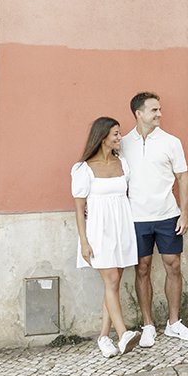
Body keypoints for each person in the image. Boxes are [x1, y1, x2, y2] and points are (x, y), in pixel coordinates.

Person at [123, 91, 188, 345]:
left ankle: (174, 323)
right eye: (154, 110)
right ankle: (147, 326)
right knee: (142, 268)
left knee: (173, 265)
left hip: (168, 215)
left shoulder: (171, 142)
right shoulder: (123, 144)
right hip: (137, 217)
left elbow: (183, 177)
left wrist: (184, 213)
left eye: (159, 109)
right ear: (139, 113)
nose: (159, 114)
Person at [71, 116, 140, 358]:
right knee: (111, 280)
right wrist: (84, 242)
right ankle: (123, 334)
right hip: (98, 231)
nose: (120, 138)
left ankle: (103, 337)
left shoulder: (123, 164)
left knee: (113, 283)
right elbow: (80, 209)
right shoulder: (83, 169)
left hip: (121, 227)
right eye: (116, 134)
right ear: (102, 138)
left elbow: (127, 195)